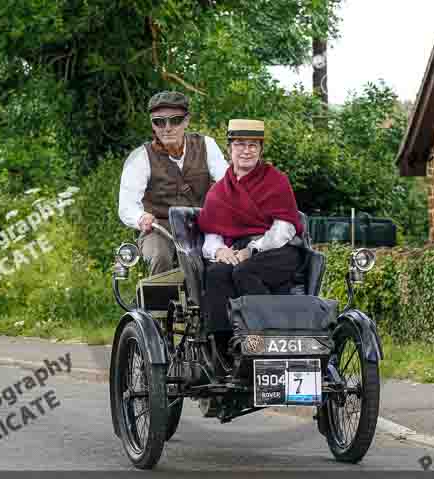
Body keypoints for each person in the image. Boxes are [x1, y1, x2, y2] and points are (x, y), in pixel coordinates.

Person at [197, 119, 304, 352]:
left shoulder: (276, 181)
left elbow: (284, 228)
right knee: (216, 274)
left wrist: (251, 250)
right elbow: (212, 232)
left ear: (261, 150)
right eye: (240, 144)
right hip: (235, 249)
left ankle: (268, 336)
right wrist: (220, 251)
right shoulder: (218, 191)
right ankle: (224, 348)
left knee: (246, 271)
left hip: (277, 250)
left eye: (253, 145)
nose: (246, 150)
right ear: (230, 149)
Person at [118, 91, 229, 275]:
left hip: (202, 223)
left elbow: (227, 183)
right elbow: (126, 206)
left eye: (175, 120)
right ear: (152, 124)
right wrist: (140, 217)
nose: (167, 128)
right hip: (160, 227)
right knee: (159, 257)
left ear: (186, 120)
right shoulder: (140, 157)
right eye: (159, 122)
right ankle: (158, 302)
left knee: (224, 258)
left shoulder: (206, 145)